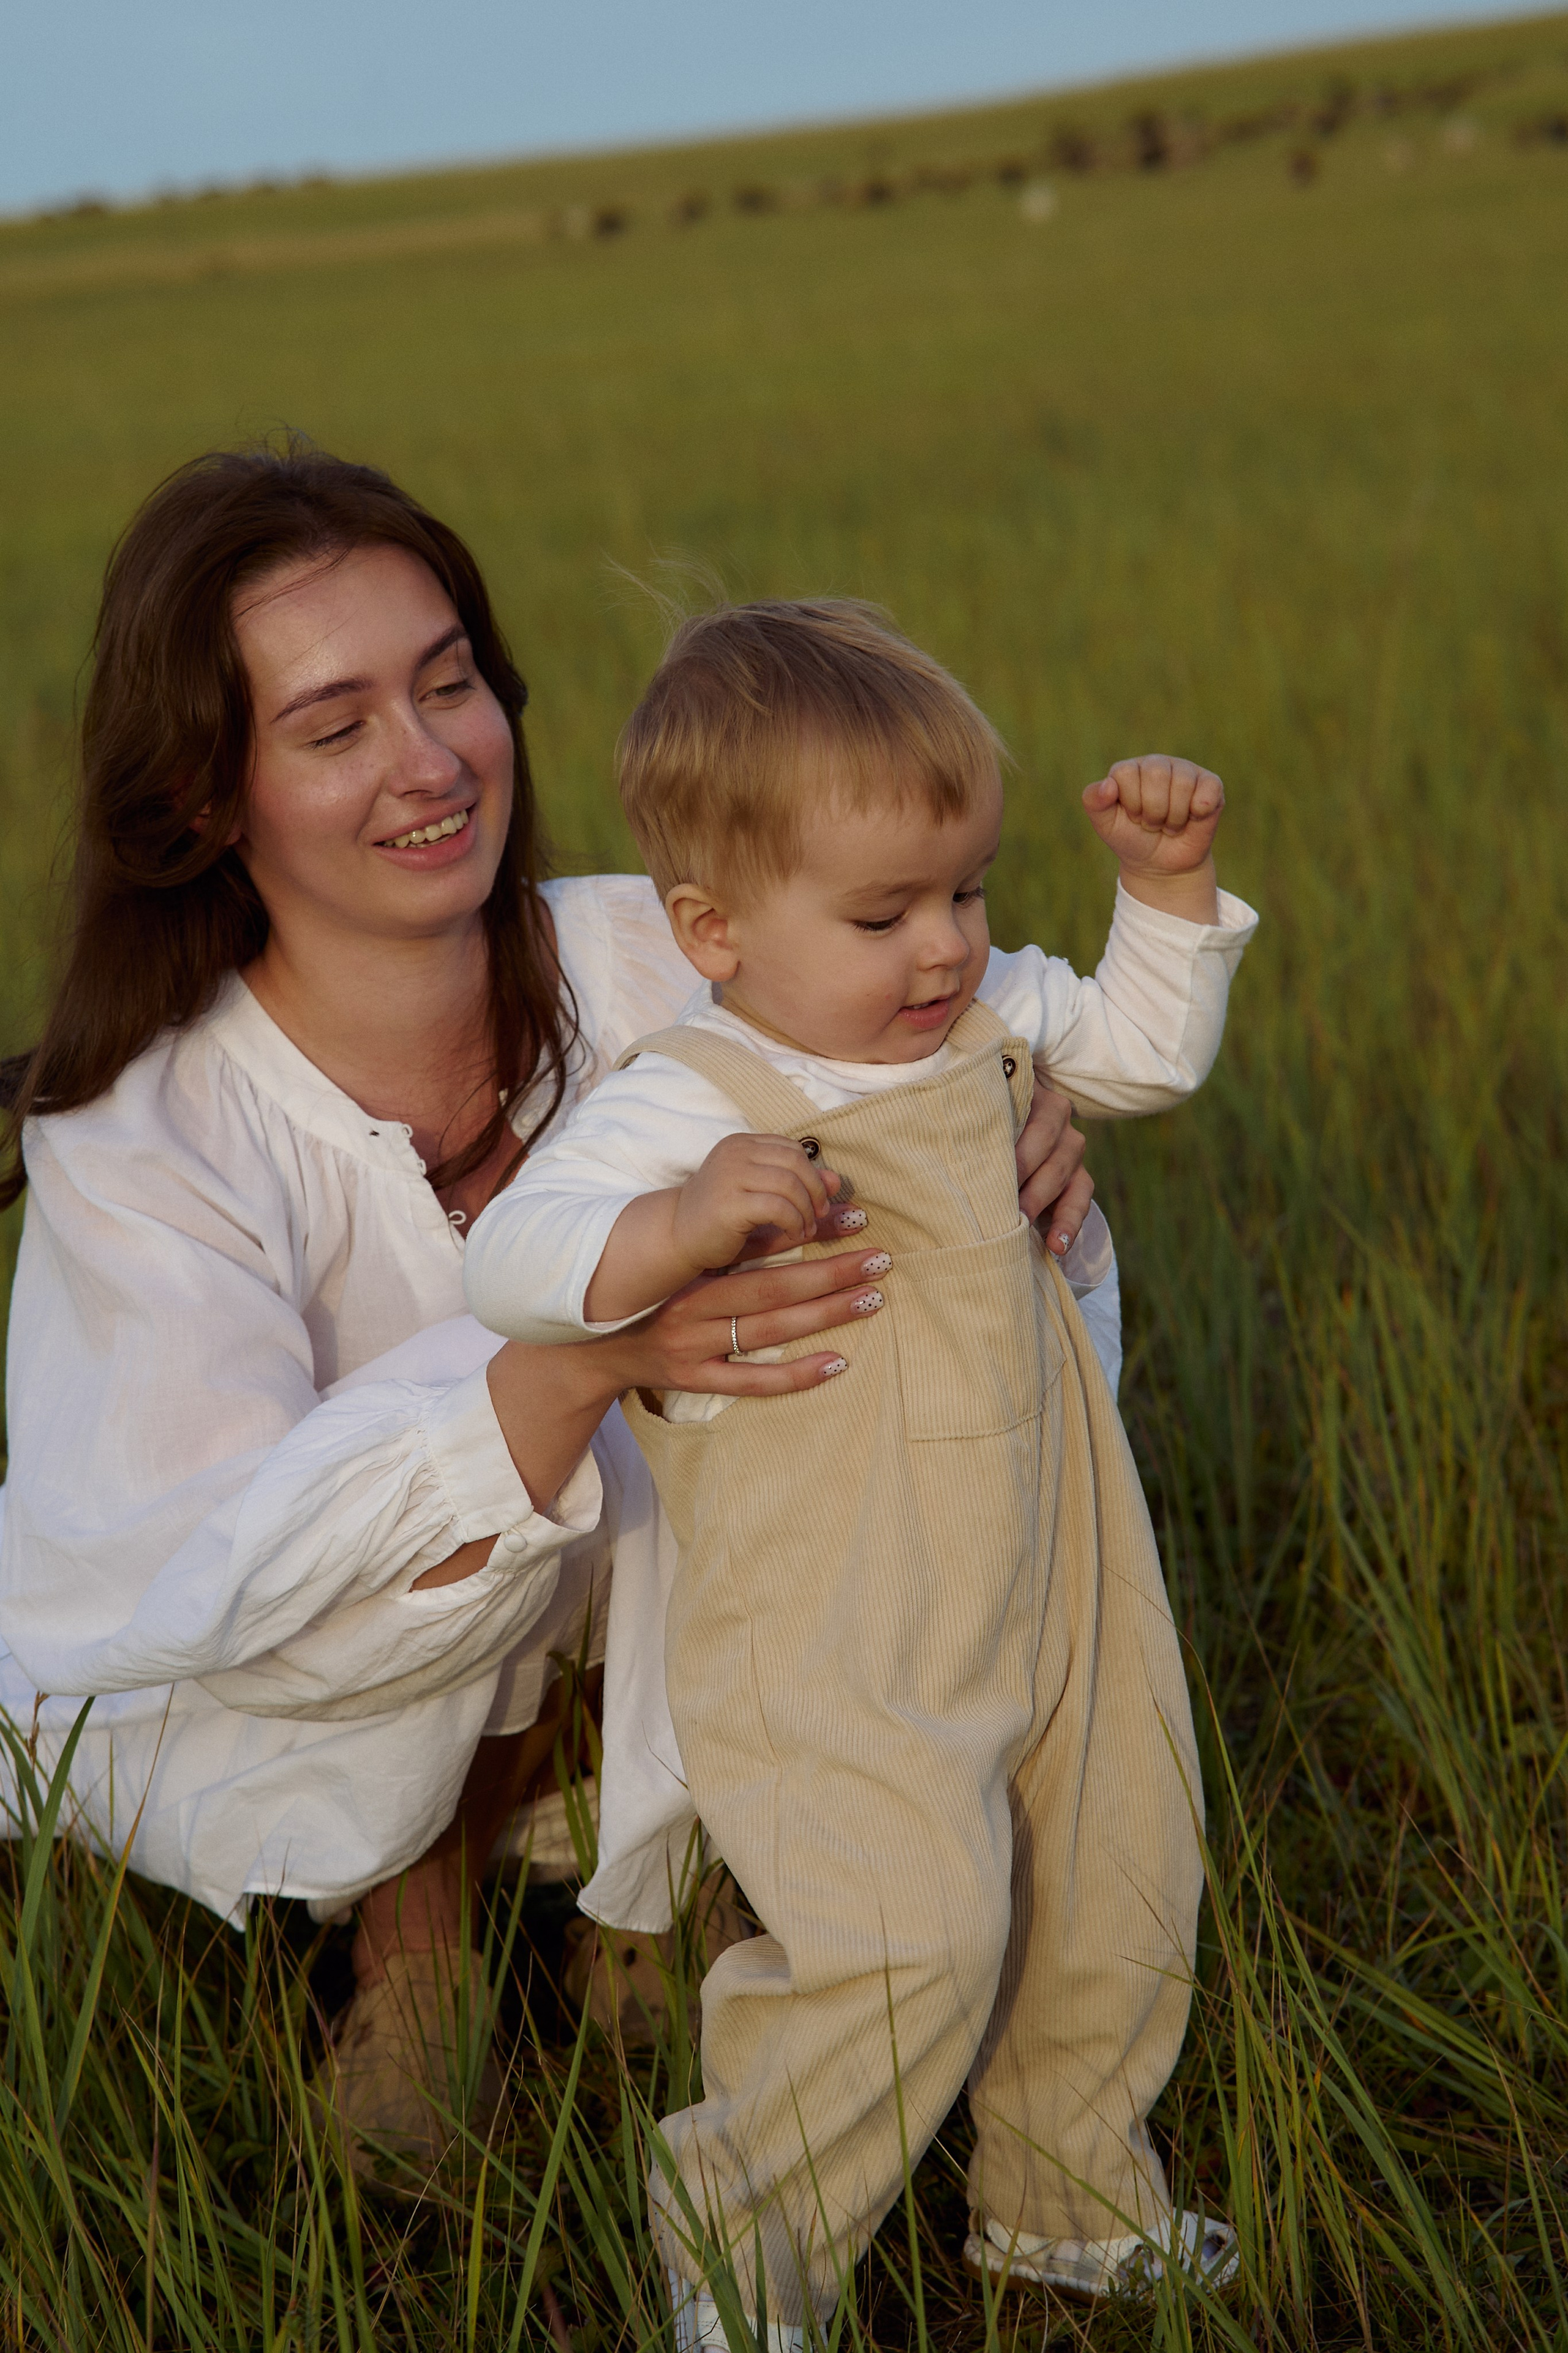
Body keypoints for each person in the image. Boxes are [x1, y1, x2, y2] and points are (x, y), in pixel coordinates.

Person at [0, 448, 1095, 2171]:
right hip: (323, 1618)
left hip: (734, 1586)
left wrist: (1012, 1125)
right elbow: (217, 1563)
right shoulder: (143, 1132)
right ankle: (413, 1933)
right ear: (210, 795)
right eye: (334, 723)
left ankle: (679, 1857)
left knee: (838, 1287)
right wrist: (581, 1358)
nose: (430, 763)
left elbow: (938, 1005)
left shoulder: (661, 958)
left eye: (448, 684)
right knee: (415, 1466)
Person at [462, 601, 1257, 2333]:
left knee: (1116, 1868)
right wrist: (676, 1225)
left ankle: (1067, 2188)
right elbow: (513, 1260)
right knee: (908, 1927)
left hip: (1058, 1552)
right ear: (715, 928)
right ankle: (744, 2253)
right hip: (834, 1597)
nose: (946, 948)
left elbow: (1142, 1048)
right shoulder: (699, 1093)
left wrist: (1169, 894)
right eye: (885, 912)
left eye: (967, 891)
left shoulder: (983, 1026)